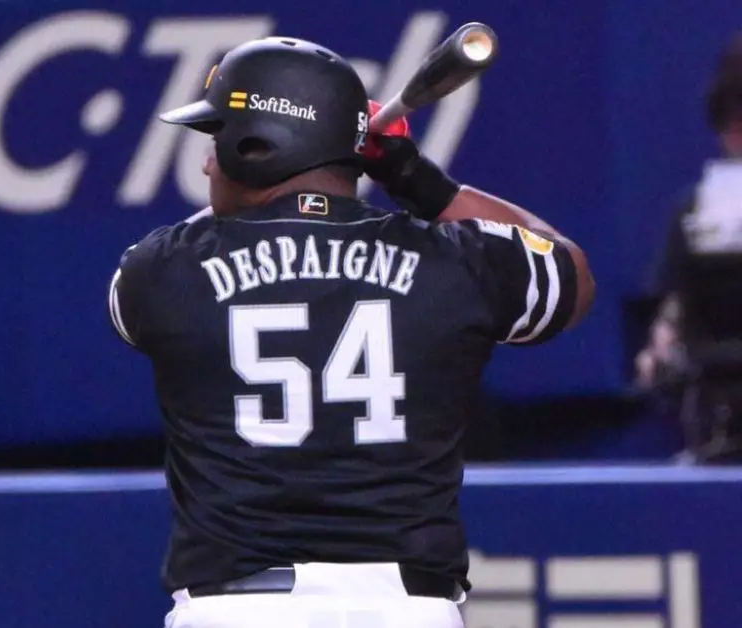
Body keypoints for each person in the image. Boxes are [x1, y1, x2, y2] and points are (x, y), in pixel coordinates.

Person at [107, 37, 595, 628]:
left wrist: (308, 174)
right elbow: (570, 273)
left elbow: (146, 283)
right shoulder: (451, 261)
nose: (209, 162)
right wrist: (410, 173)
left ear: (253, 148)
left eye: (219, 140)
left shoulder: (165, 270)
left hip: (235, 610)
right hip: (405, 611)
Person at [635, 32, 742, 461]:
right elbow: (674, 309)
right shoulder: (696, 209)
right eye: (733, 120)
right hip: (715, 415)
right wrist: (662, 343)